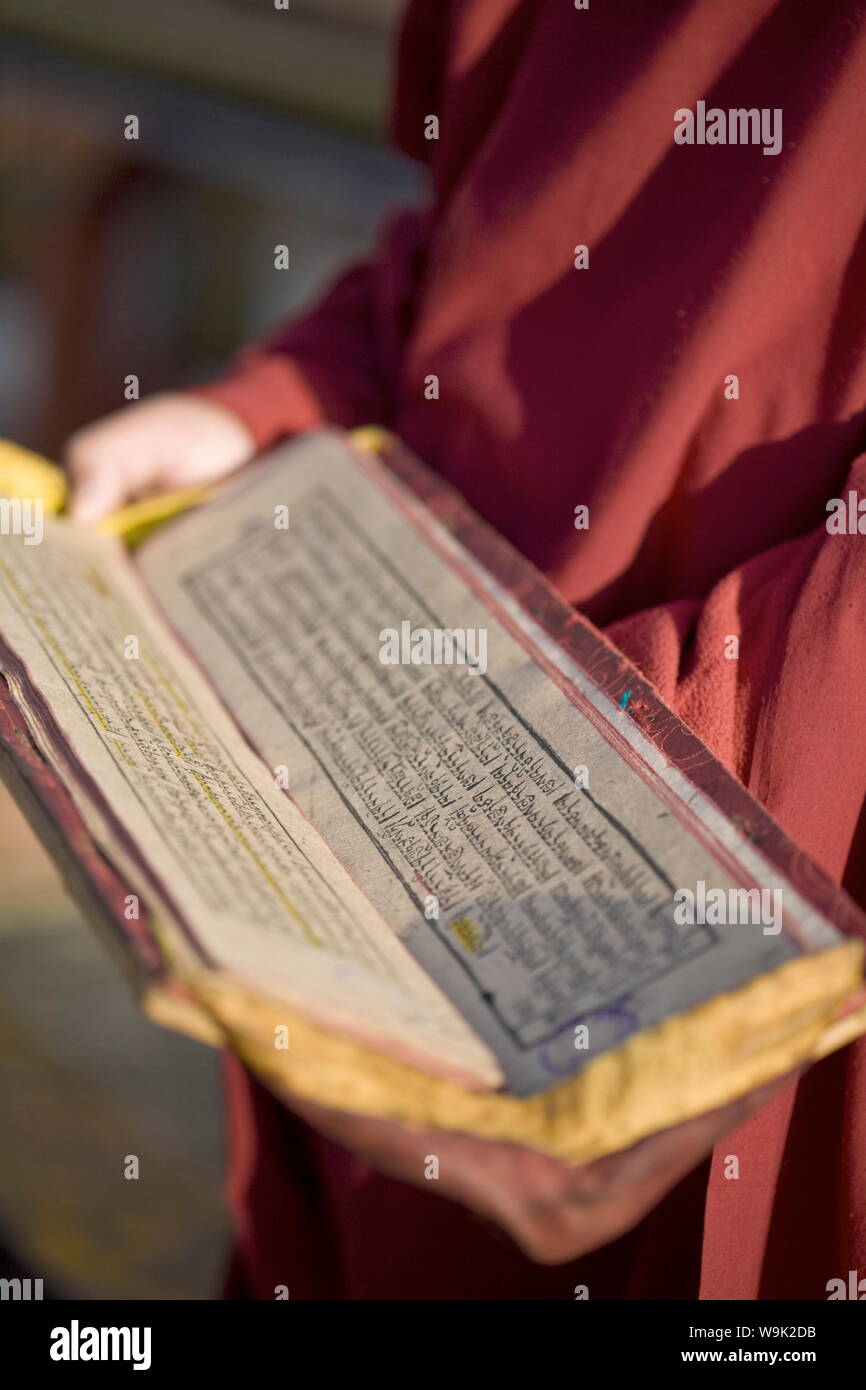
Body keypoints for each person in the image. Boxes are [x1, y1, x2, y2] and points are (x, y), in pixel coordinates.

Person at [64, 0, 866, 1299]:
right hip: (405, 744)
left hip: (688, 849)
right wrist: (281, 402)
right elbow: (484, 236)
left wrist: (607, 751)